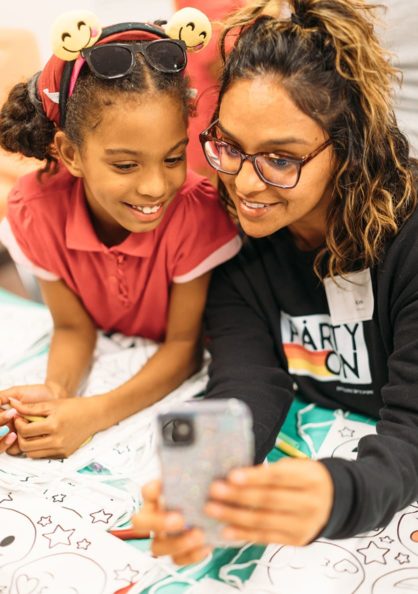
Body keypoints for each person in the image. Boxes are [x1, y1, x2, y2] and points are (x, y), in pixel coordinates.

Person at [132, 0, 418, 564]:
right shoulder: (236, 239)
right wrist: (206, 485)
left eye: (281, 160)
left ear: (349, 151)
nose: (244, 183)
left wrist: (339, 493)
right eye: (230, 147)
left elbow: (413, 431)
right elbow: (248, 381)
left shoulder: (407, 245)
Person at [0, 15, 240, 459]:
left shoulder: (195, 211)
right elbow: (73, 327)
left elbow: (184, 348)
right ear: (71, 153)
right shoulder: (34, 212)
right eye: (125, 165)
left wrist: (90, 415)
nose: (154, 187)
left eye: (172, 158)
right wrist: (56, 392)